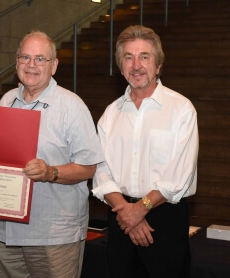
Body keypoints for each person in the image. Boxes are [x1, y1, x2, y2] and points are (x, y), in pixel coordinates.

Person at [0, 30, 104, 278]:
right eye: (25, 57)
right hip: (4, 231)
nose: (31, 65)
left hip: (52, 235)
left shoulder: (71, 106)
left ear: (54, 66)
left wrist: (50, 172)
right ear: (17, 61)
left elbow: (89, 167)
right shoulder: (6, 100)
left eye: (40, 59)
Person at [92, 25, 199, 278]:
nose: (136, 65)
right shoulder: (110, 114)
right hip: (120, 217)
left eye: (144, 57)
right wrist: (127, 212)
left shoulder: (181, 110)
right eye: (128, 57)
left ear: (158, 65)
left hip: (165, 219)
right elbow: (101, 171)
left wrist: (139, 210)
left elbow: (178, 175)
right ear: (121, 67)